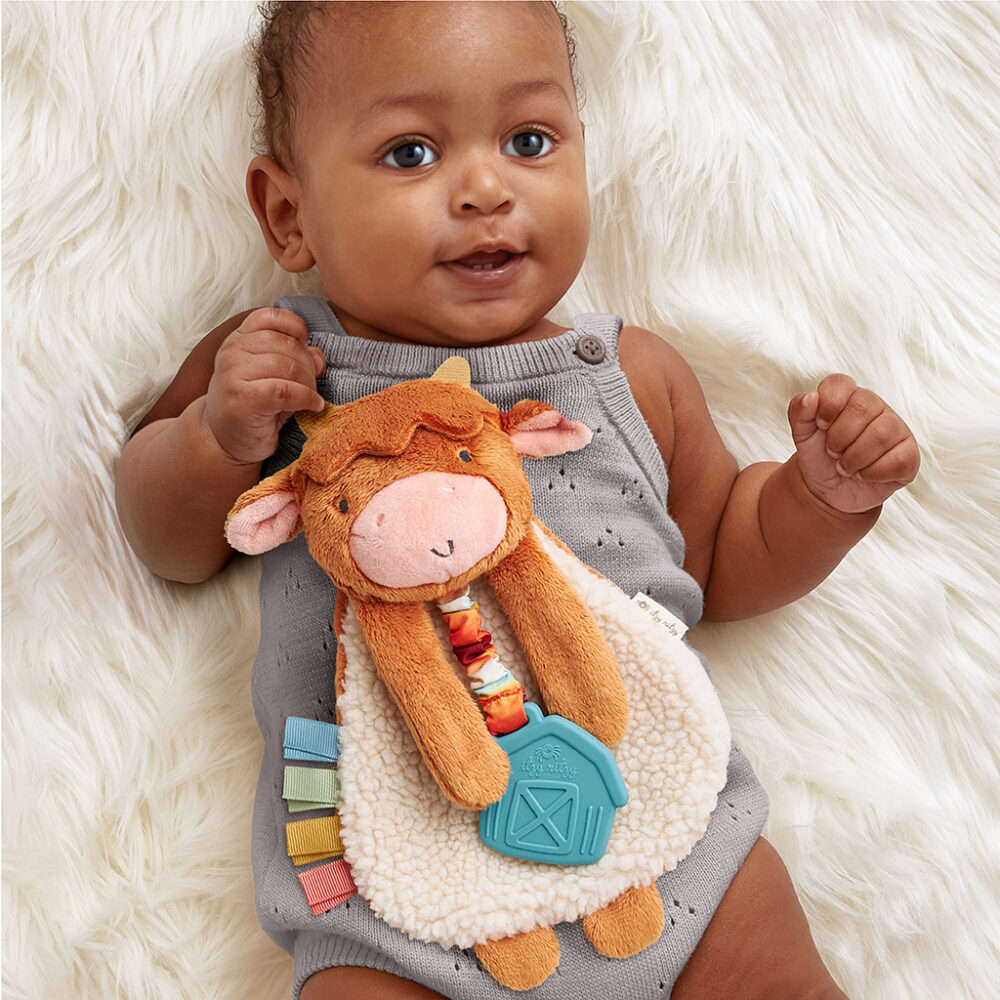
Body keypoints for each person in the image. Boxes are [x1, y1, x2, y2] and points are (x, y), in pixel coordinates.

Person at [115, 3, 919, 997]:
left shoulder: (627, 372)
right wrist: (210, 440)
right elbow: (166, 540)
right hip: (385, 897)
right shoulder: (281, 367)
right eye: (410, 153)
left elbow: (720, 550)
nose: (486, 189)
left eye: (529, 141)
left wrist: (821, 499)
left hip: (665, 842)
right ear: (288, 214)